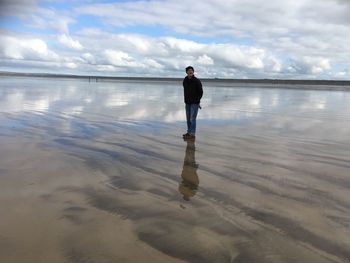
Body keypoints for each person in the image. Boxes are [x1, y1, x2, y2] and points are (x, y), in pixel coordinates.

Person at [182, 66, 203, 140]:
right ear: (187, 72)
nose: (190, 71)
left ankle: (192, 133)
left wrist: (198, 101)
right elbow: (185, 91)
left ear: (193, 72)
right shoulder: (185, 80)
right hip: (187, 102)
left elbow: (200, 92)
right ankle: (189, 132)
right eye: (189, 70)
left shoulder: (197, 81)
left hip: (194, 103)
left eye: (191, 70)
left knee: (192, 119)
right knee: (188, 119)